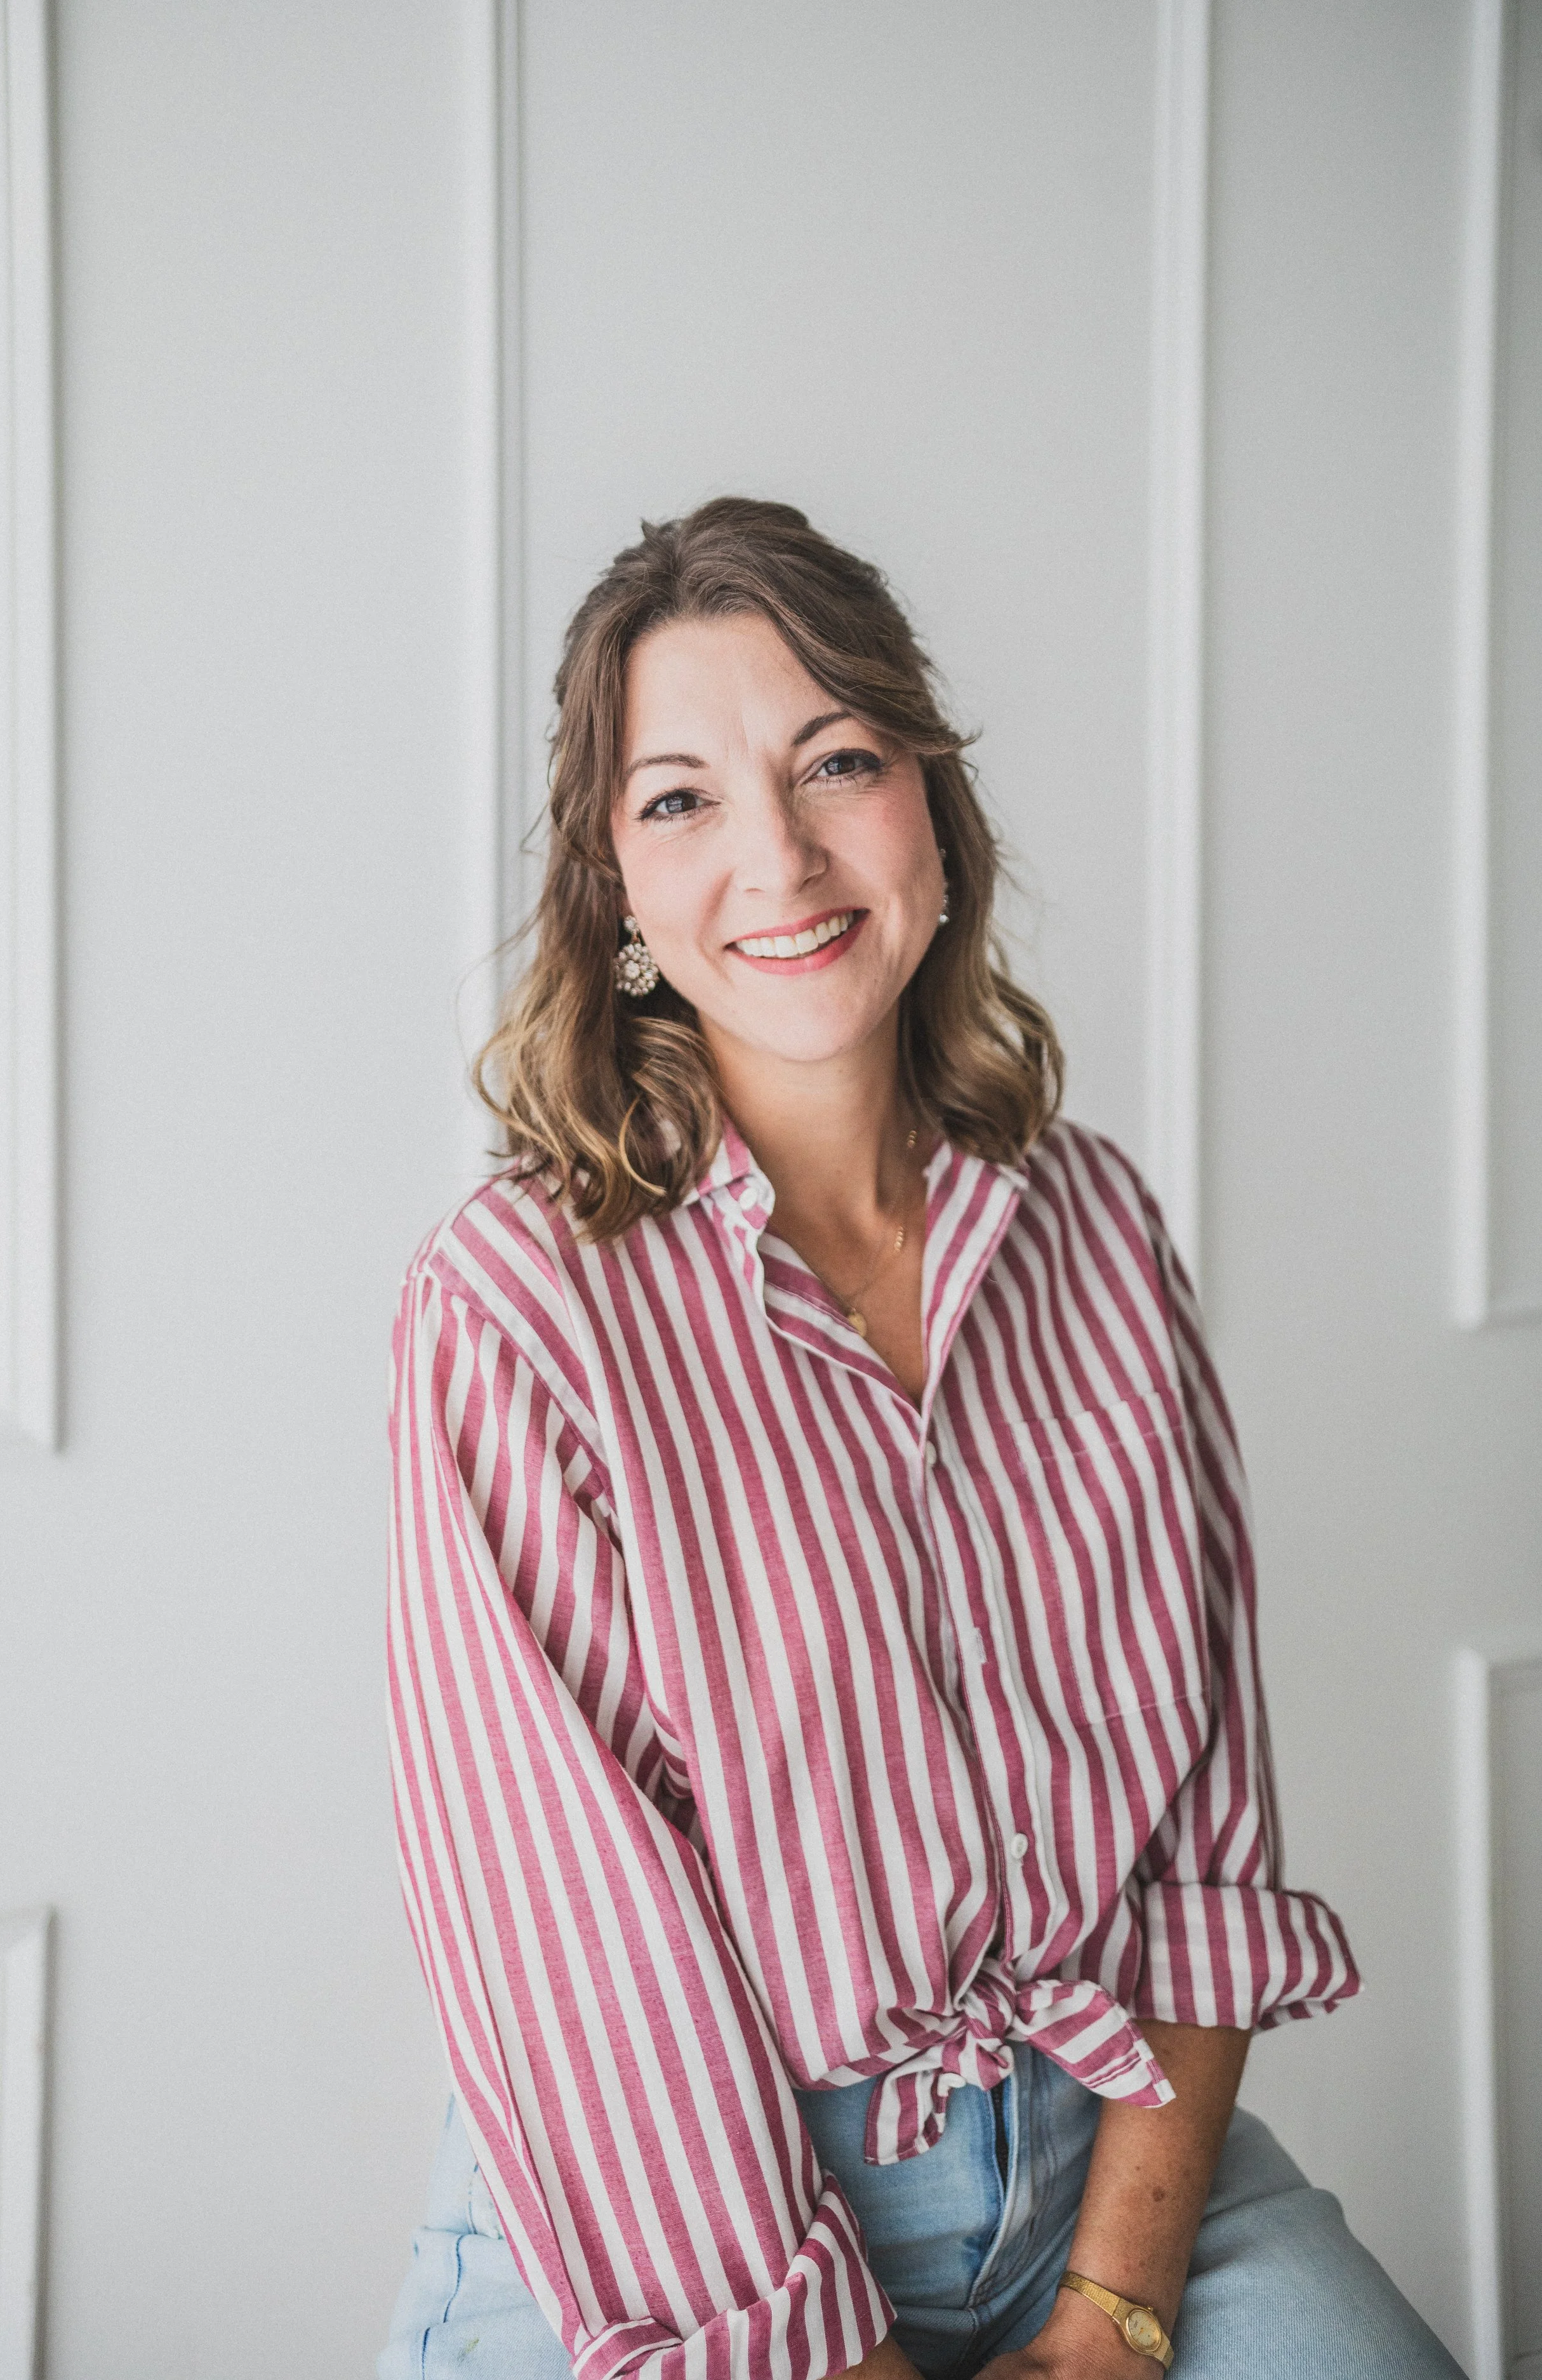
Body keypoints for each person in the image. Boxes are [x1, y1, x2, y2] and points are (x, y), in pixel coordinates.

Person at [379, 499, 1463, 2380]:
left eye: (837, 762)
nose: (781, 855)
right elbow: (579, 1967)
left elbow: (1205, 1836)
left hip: (1119, 2159)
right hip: (683, 2222)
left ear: (932, 819)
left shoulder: (1099, 1235)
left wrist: (1115, 2312)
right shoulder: (513, 1309)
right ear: (613, 896)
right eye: (680, 799)